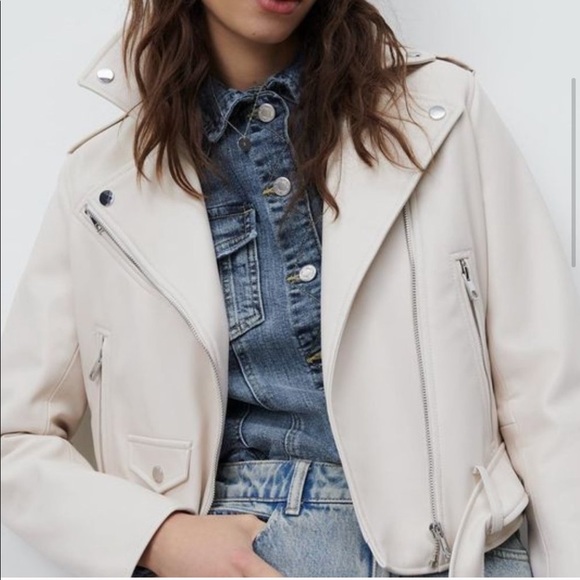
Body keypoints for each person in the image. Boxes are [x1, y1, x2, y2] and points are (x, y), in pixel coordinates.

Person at [1, 0, 579, 577]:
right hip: (243, 551)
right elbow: (14, 437)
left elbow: (548, 395)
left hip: (459, 550)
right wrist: (159, 536)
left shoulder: (440, 112)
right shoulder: (104, 181)